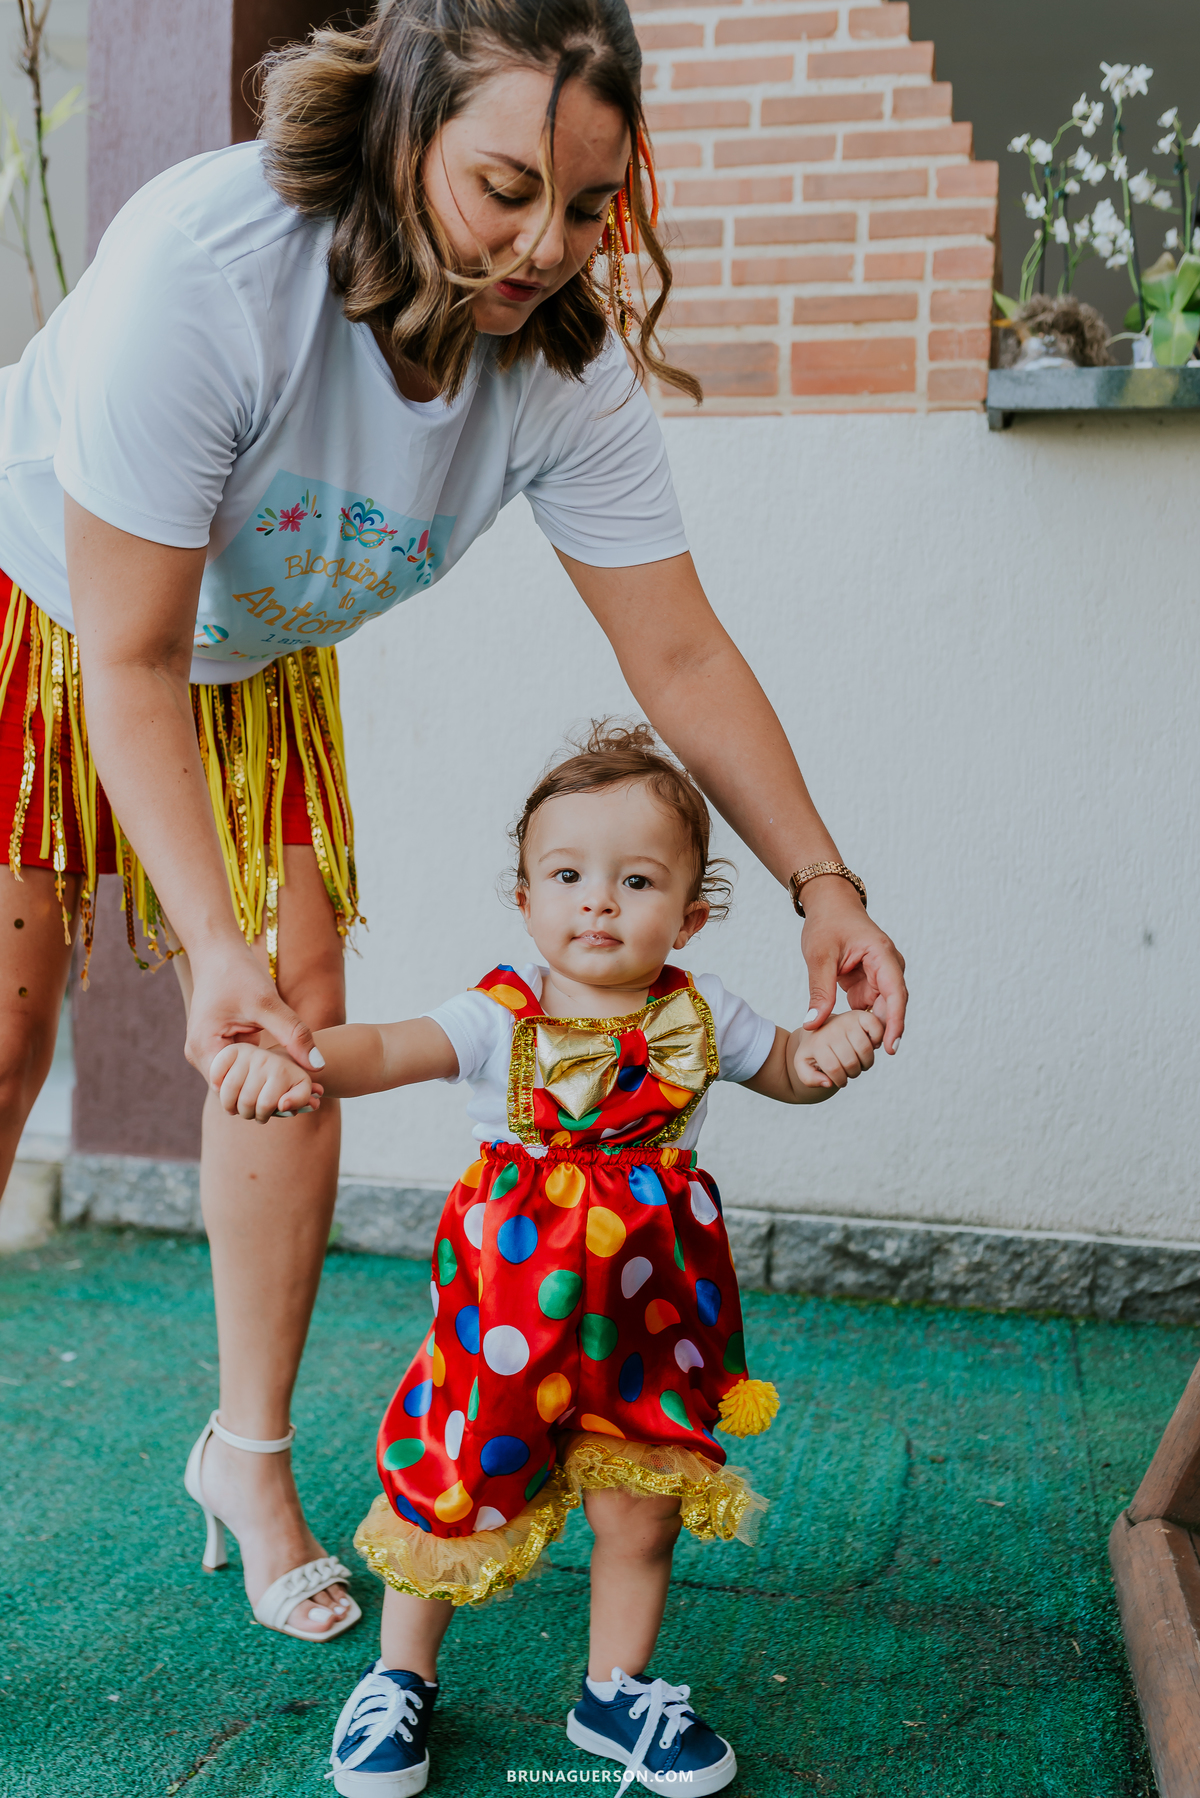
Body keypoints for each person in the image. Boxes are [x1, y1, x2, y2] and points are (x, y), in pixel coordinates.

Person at [0, 0, 906, 1643]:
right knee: (9, 1031)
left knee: (296, 1022)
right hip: (49, 609)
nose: (546, 247)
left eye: (590, 205)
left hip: (250, 657)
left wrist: (820, 881)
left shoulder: (557, 369)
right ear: (403, 127)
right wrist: (207, 943)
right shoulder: (209, 271)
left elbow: (679, 652)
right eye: (506, 189)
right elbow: (130, 656)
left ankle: (246, 1459)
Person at [209, 724, 888, 1795]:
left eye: (637, 880)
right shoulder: (498, 1015)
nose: (599, 902)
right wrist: (299, 1057)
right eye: (568, 876)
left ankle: (614, 1693)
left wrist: (830, 1054)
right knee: (453, 1483)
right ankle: (399, 1678)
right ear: (525, 900)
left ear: (691, 914)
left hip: (648, 1322)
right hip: (505, 1322)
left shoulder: (704, 1011)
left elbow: (792, 1069)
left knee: (643, 1508)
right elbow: (384, 1045)